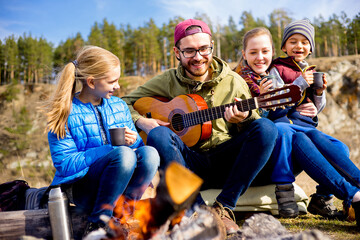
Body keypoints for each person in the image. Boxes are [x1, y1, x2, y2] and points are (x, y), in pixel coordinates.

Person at [122, 19, 278, 235]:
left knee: (267, 129)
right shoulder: (167, 80)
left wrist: (242, 119)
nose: (198, 57)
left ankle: (224, 208)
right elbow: (123, 103)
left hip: (227, 162)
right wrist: (142, 121)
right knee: (157, 133)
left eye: (204, 49)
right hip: (186, 163)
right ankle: (193, 209)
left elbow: (255, 132)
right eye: (189, 51)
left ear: (212, 46)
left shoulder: (234, 81)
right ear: (177, 52)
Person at [234, 25, 360, 228]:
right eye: (253, 52)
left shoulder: (302, 69)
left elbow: (305, 104)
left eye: (265, 51)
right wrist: (271, 97)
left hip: (298, 127)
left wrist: (317, 96)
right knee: (287, 132)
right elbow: (273, 111)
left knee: (340, 148)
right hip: (267, 146)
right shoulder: (245, 79)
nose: (260, 57)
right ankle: (289, 191)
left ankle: (323, 198)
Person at [42, 46, 160, 235]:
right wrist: (110, 150)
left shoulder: (119, 106)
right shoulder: (65, 111)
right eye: (112, 81)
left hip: (118, 184)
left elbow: (137, 150)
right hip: (82, 188)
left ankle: (124, 215)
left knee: (150, 153)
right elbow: (65, 164)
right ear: (91, 82)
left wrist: (134, 142)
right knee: (123, 155)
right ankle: (98, 223)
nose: (118, 86)